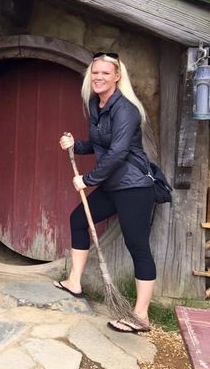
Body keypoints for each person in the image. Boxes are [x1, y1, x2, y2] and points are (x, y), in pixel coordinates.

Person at [55, 51, 155, 333]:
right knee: (78, 220)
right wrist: (76, 144)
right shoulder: (97, 105)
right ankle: (75, 282)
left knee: (138, 247)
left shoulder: (126, 110)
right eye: (94, 73)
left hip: (134, 186)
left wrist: (88, 179)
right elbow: (100, 145)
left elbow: (119, 152)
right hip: (112, 184)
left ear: (117, 76)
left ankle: (141, 316)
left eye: (105, 73)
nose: (98, 77)